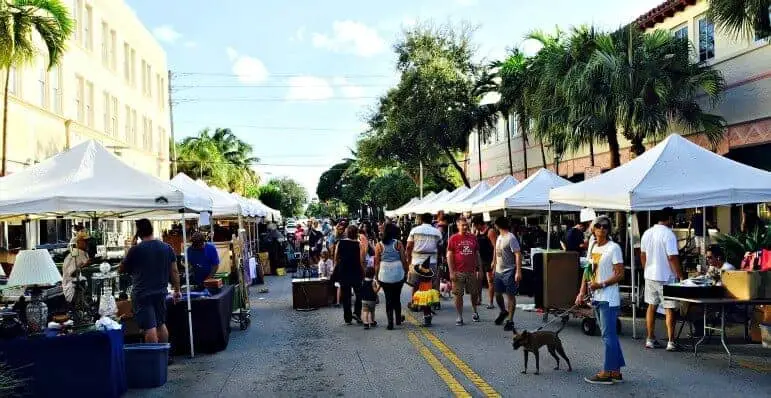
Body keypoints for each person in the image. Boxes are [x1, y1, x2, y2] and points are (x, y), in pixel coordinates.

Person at [575, 216, 626, 385]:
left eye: (605, 226)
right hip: (597, 296)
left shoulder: (614, 248)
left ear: (609, 230)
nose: (601, 229)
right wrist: (582, 291)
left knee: (608, 335)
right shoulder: (593, 246)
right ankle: (616, 371)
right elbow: (588, 270)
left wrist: (601, 284)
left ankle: (607, 372)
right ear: (593, 229)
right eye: (598, 226)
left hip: (608, 299)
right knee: (608, 335)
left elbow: (620, 274)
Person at [120, 219, 181, 344]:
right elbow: (174, 271)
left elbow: (122, 269)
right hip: (160, 292)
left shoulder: (135, 250)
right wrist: (177, 290)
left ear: (138, 233)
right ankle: (164, 356)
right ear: (151, 230)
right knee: (160, 324)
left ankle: (153, 359)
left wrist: (131, 248)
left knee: (149, 328)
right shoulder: (166, 247)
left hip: (142, 294)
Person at [640, 207, 684, 351]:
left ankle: (650, 339)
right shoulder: (669, 234)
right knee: (669, 308)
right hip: (666, 276)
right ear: (670, 219)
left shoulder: (647, 233)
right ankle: (671, 341)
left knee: (651, 306)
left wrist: (646, 269)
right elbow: (672, 257)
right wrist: (680, 274)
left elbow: (642, 255)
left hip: (650, 274)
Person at [447, 217, 481, 325]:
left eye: (466, 225)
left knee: (474, 293)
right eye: (463, 225)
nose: (465, 227)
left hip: (471, 271)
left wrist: (479, 269)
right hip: (458, 271)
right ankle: (459, 316)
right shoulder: (453, 238)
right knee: (458, 295)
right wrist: (451, 271)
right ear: (458, 226)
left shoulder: (473, 237)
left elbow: (477, 254)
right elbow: (449, 255)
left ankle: (475, 311)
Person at [374, 222, 408, 330]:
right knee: (396, 297)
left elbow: (377, 263)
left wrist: (376, 276)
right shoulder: (398, 244)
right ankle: (398, 319)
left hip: (385, 274)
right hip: (398, 274)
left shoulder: (379, 245)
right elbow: (403, 260)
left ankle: (390, 323)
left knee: (388, 298)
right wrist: (406, 271)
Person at [491, 217, 521, 331]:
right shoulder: (499, 237)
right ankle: (503, 311)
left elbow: (518, 254)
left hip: (509, 271)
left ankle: (510, 320)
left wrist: (518, 271)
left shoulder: (511, 237)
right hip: (499, 271)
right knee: (497, 294)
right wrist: (494, 262)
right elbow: (496, 249)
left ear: (497, 226)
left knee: (510, 296)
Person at [406, 213, 443, 305]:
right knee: (428, 284)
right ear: (432, 220)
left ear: (421, 220)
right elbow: (441, 247)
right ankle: (427, 304)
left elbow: (408, 247)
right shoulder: (437, 232)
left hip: (416, 262)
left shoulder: (414, 230)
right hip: (432, 262)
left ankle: (415, 303)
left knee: (415, 285)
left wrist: (409, 261)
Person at [332, 225, 364, 325]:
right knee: (359, 294)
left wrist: (335, 268)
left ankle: (348, 318)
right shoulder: (358, 244)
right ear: (356, 233)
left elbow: (336, 257)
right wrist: (363, 270)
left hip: (344, 271)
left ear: (347, 232)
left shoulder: (340, 242)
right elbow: (361, 260)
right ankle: (357, 313)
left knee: (346, 296)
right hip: (355, 271)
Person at [473, 216, 497, 309]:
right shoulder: (477, 232)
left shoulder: (490, 231)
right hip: (480, 259)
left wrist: (494, 261)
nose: (474, 227)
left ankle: (491, 302)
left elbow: (495, 247)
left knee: (490, 281)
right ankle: (479, 299)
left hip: (489, 259)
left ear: (479, 224)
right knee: (478, 280)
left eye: (475, 226)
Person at [62, 231, 90, 303]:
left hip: (69, 288)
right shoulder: (78, 253)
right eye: (84, 241)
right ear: (78, 243)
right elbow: (72, 272)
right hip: (72, 290)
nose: (87, 243)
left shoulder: (76, 253)